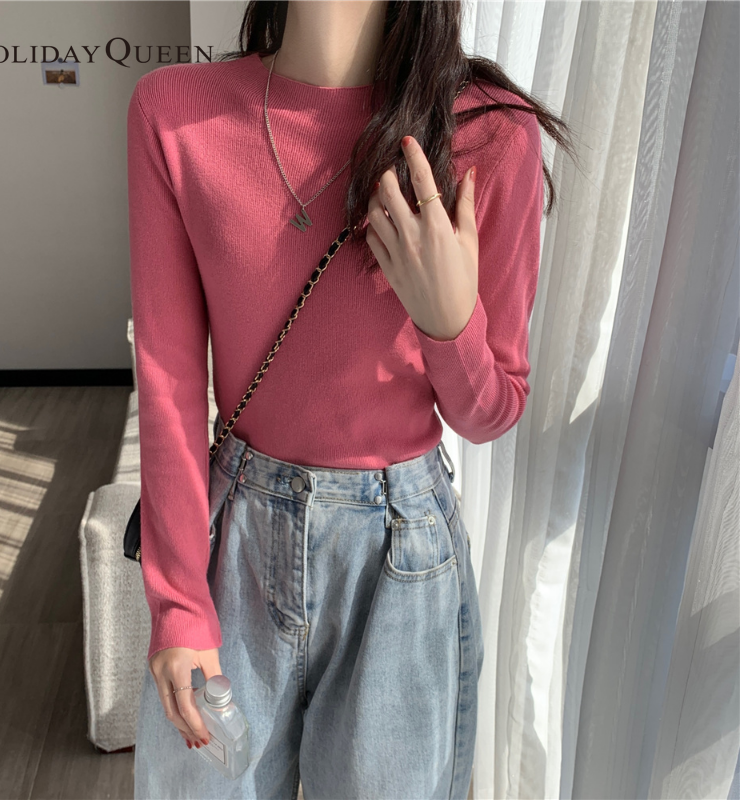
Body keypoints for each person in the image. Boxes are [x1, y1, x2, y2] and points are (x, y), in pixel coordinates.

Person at [128, 2, 574, 798]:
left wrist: (448, 325)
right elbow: (167, 381)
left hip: (402, 554)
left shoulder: (488, 133)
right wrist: (178, 602)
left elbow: (492, 410)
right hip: (233, 545)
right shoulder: (176, 112)